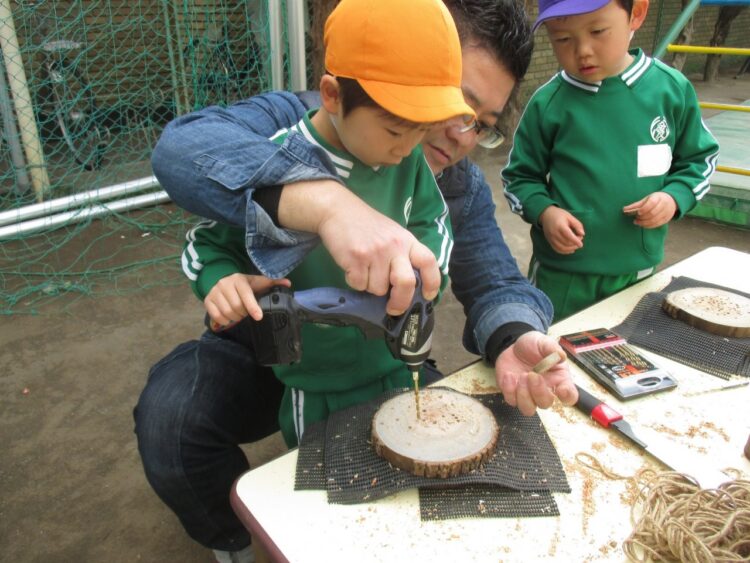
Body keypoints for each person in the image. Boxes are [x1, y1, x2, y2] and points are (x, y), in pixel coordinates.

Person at [149, 0, 578, 415]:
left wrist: (516, 336)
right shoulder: (291, 123)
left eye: (480, 125)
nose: (461, 136)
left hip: (380, 356)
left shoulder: (448, 178)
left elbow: (497, 282)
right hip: (268, 341)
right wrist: (326, 205)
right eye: (457, 104)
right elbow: (179, 150)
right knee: (175, 418)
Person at [502, 0, 720, 320]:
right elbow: (519, 177)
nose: (583, 51)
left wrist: (675, 197)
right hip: (562, 275)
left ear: (637, 14)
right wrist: (545, 212)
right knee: (549, 353)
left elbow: (699, 159)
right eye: (563, 39)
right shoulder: (548, 103)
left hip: (638, 270)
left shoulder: (671, 90)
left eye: (598, 31)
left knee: (625, 354)